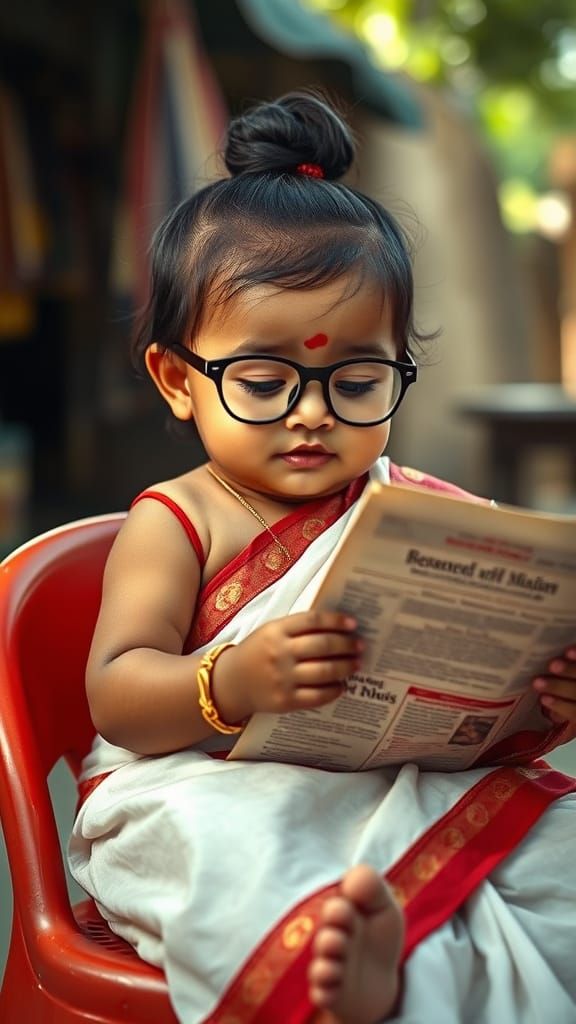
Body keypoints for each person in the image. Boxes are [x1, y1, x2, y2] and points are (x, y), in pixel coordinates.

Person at [68, 91, 576, 1024]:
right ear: (177, 380)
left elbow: (472, 707)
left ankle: (396, 955)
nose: (313, 412)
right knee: (239, 850)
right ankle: (351, 974)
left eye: (357, 379)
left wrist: (544, 699)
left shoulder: (414, 513)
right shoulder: (177, 520)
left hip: (393, 785)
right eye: (263, 381)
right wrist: (232, 678)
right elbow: (116, 693)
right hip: (208, 781)